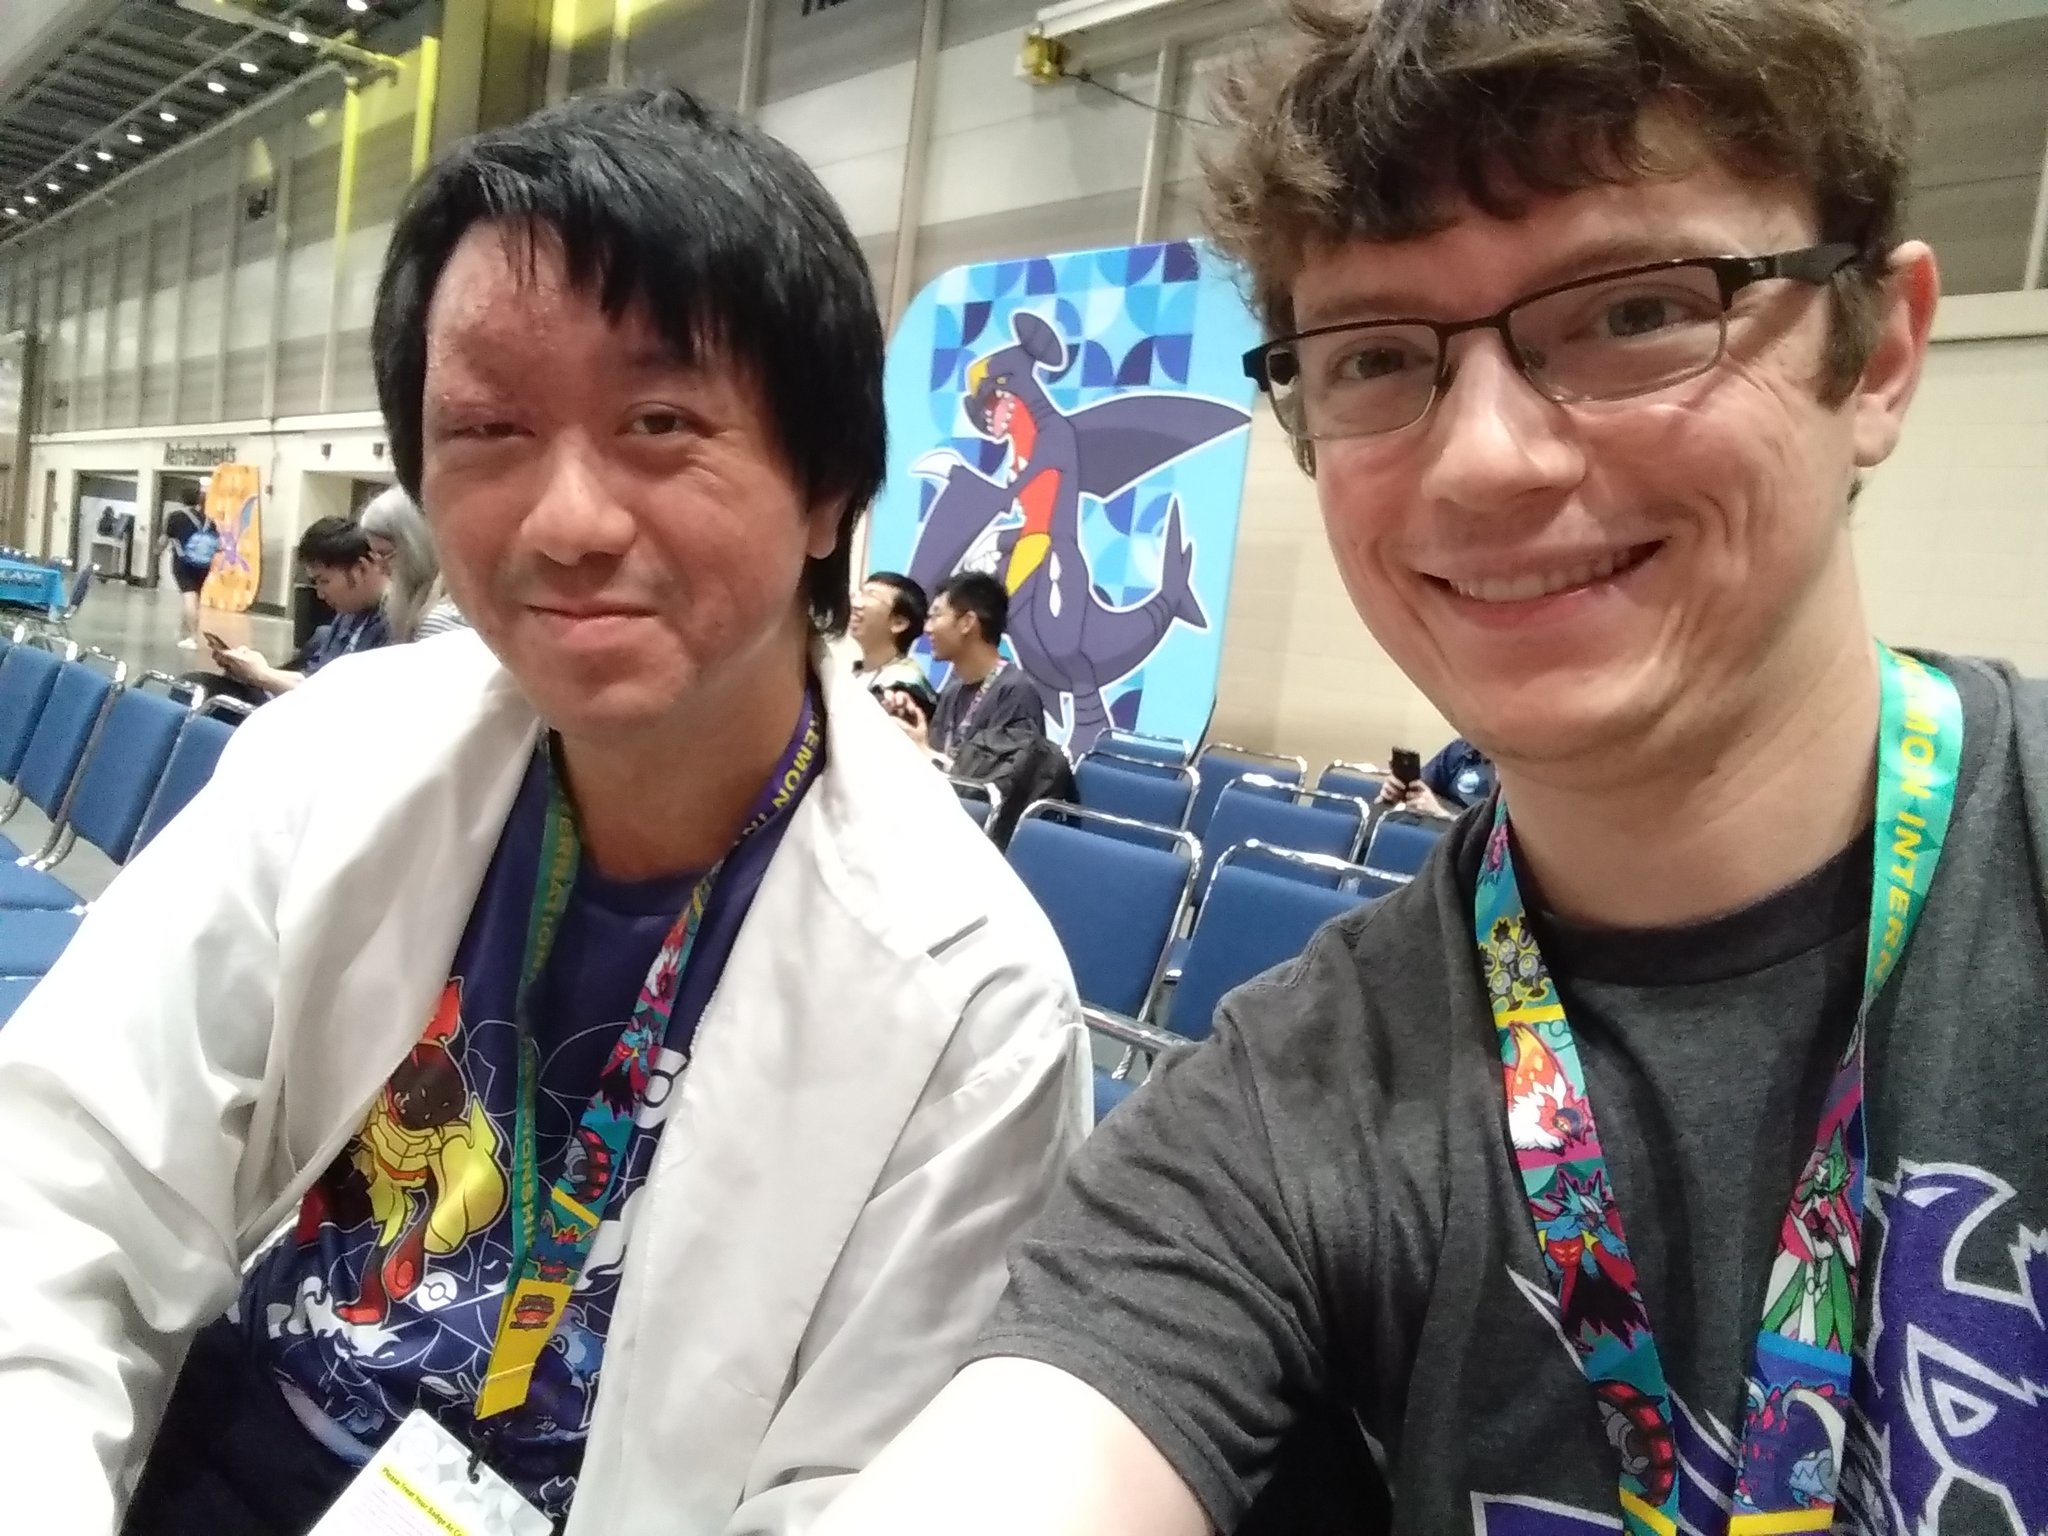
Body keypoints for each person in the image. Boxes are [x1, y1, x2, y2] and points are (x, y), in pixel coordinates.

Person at [816, 3, 2048, 1534]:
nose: (1486, 459)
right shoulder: (1284, 1113)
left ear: (1880, 357)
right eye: (1380, 355)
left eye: (1635, 311)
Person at [0, 87, 1086, 1536]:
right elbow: (66, 1178)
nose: (567, 521)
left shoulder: (974, 1004)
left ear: (828, 488)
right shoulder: (342, 750)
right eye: (489, 429)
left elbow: (856, 1497)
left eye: (660, 421)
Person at [209, 516, 392, 703]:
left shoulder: (396, 628)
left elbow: (342, 700)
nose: (320, 594)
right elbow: (313, 678)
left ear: (361, 569)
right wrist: (256, 671)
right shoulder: (348, 615)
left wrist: (263, 675)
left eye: (324, 581)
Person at [890, 571, 1047, 768]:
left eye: (935, 616)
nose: (927, 628)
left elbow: (1001, 779)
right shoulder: (952, 693)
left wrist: (925, 751)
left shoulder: (1015, 692)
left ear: (967, 622)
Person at [359, 483, 467, 641]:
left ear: (413, 547)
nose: (380, 569)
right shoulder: (420, 604)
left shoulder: (439, 621)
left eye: (385, 554)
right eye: (375, 555)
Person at [850, 570, 935, 718]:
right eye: (860, 593)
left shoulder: (905, 688)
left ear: (898, 623)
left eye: (870, 595)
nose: (855, 604)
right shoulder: (853, 673)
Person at [155, 484, 217, 650]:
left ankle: (193, 637)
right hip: (203, 564)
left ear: (182, 499)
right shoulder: (209, 520)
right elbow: (216, 543)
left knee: (189, 597)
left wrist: (157, 552)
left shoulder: (175, 517)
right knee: (194, 597)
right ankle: (186, 632)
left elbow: (164, 539)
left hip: (183, 562)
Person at [1377, 735, 1495, 818]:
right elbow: (1421, 787)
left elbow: (1494, 835)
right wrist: (1397, 795)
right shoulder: (1460, 748)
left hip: (1463, 839)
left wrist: (1442, 815)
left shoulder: (1504, 770)